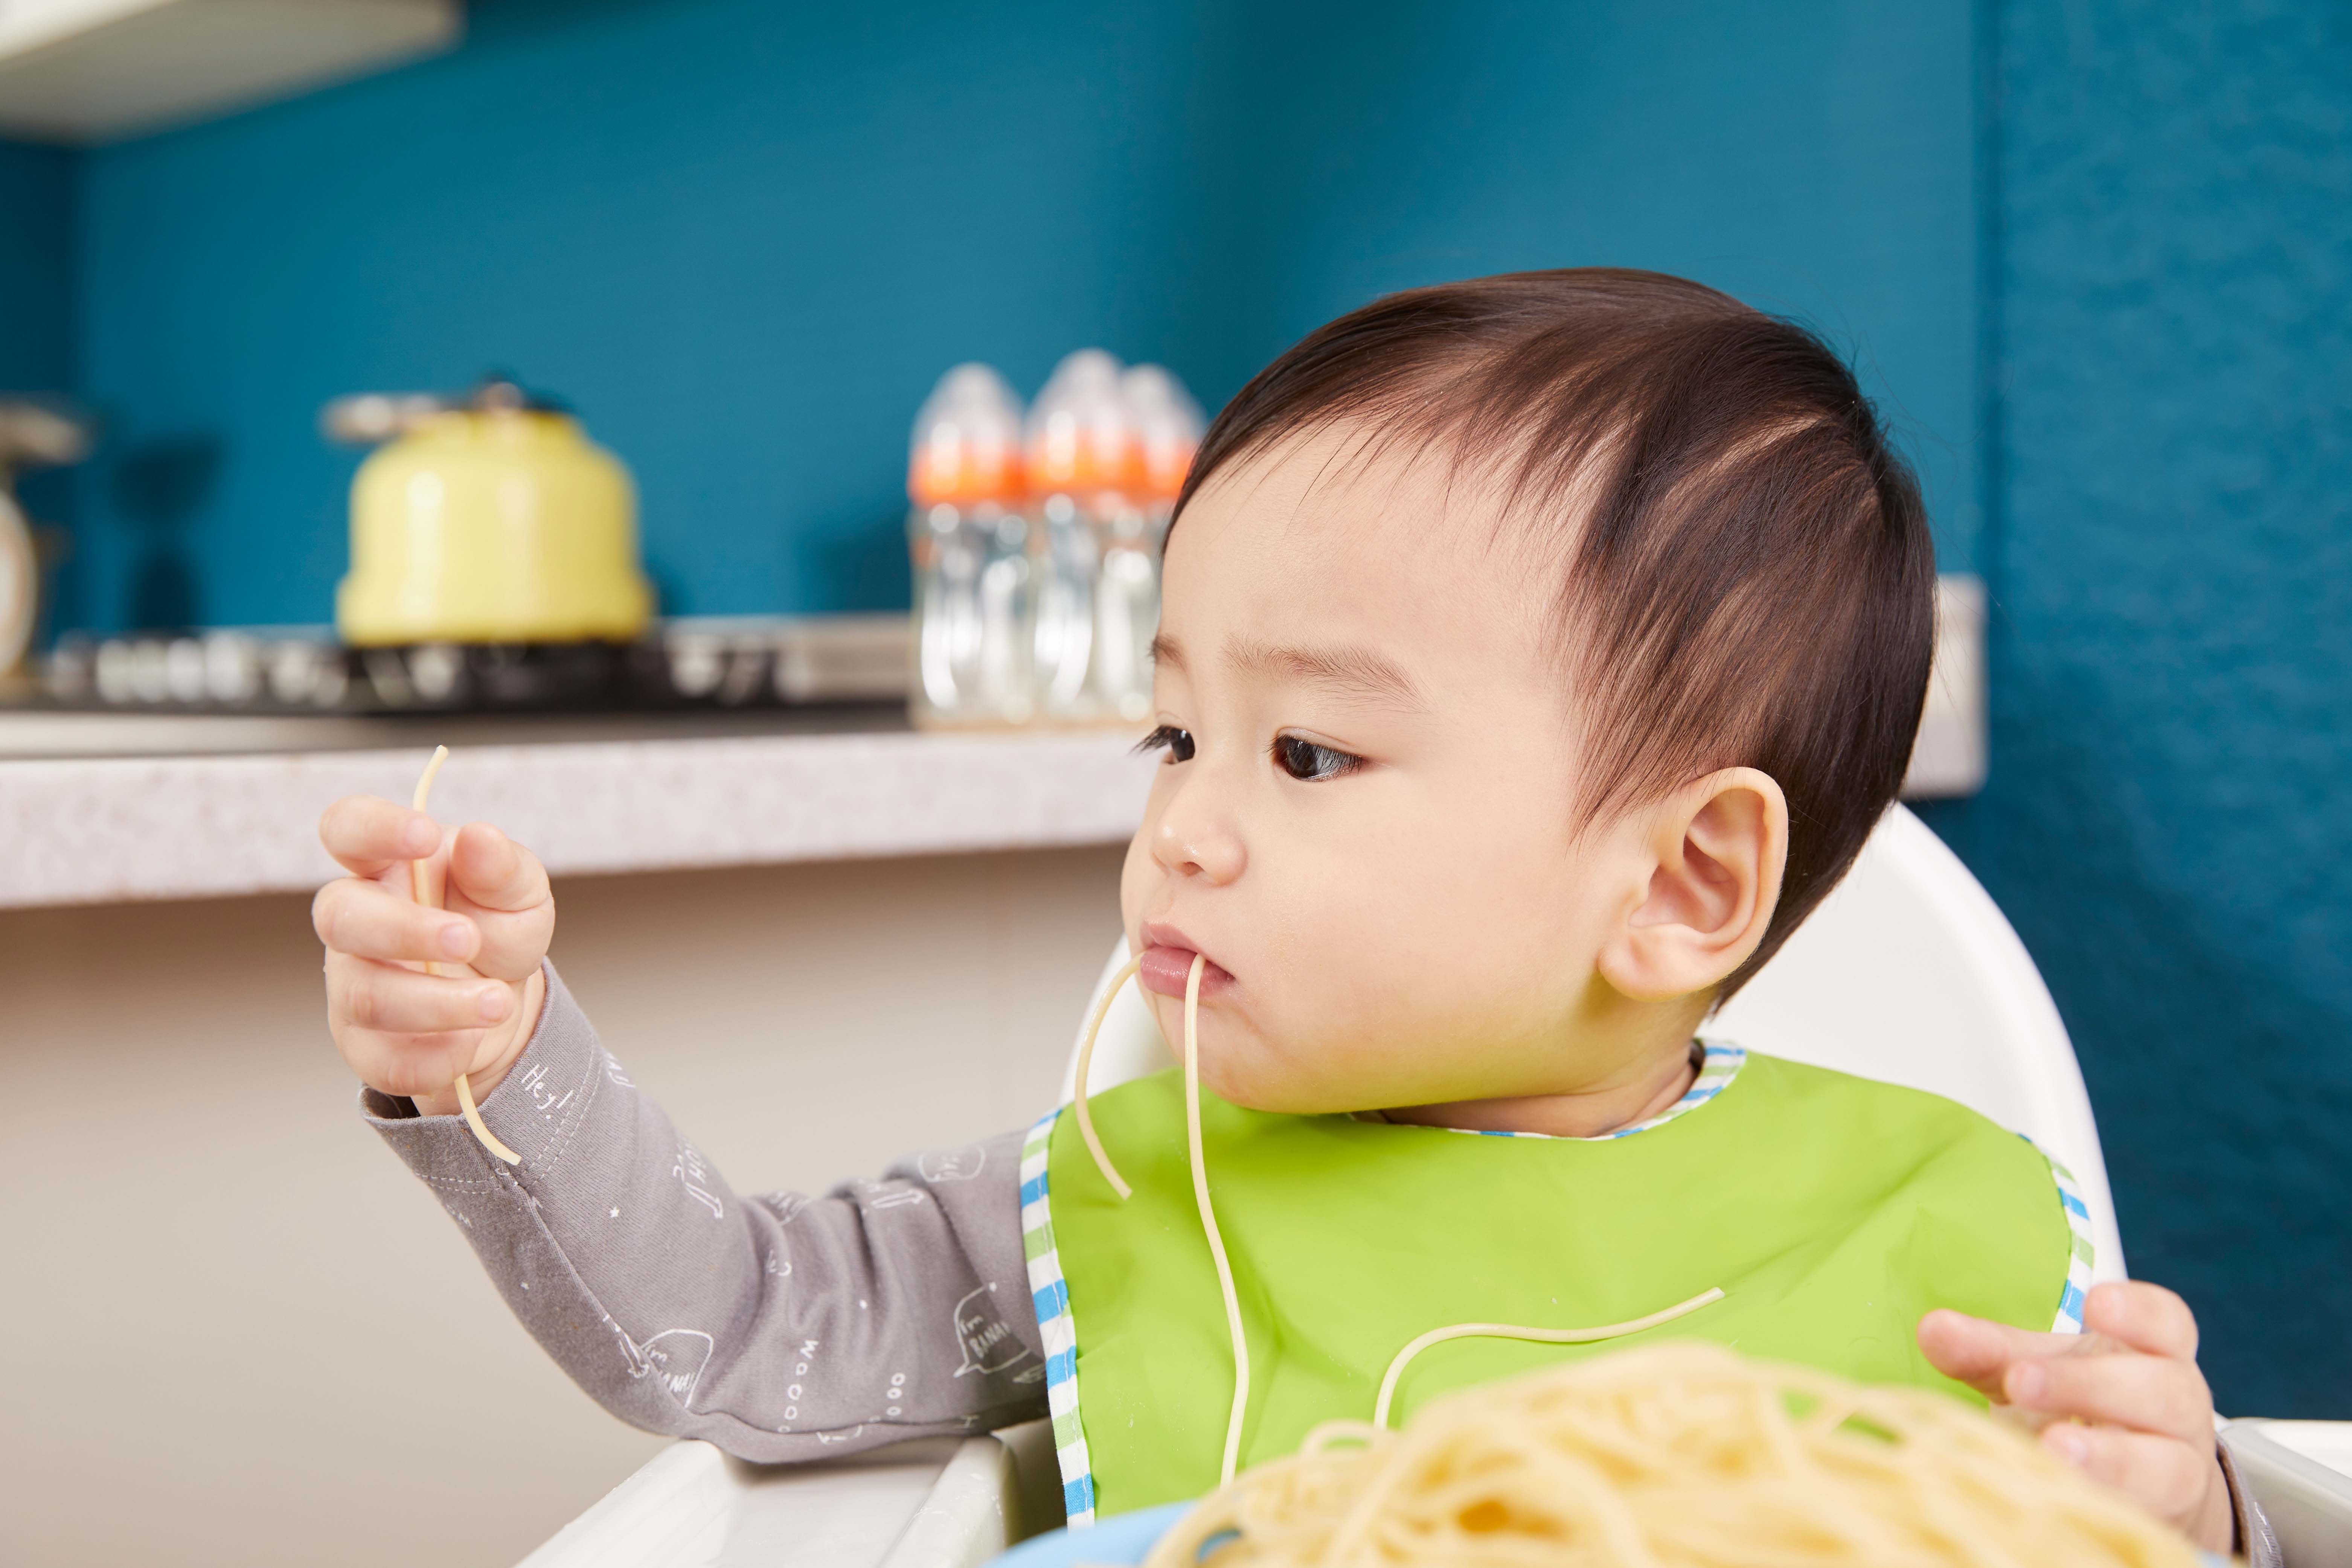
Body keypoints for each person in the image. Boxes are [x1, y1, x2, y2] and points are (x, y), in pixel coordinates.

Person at [313, 271, 2267, 1558]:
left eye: (1306, 754)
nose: (1182, 827)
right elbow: (727, 1329)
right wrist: (496, 1063)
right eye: (1176, 730)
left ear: (1680, 883)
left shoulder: (1941, 1230)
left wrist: (2184, 1504)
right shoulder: (1117, 1196)